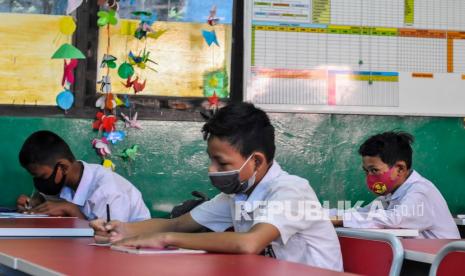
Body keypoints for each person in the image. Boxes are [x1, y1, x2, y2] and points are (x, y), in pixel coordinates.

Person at [91, 102, 342, 270]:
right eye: (211, 160)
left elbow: (249, 243)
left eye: (221, 163)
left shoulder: (290, 192)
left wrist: (165, 239)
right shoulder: (238, 195)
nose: (212, 170)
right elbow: (178, 223)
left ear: (256, 161)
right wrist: (124, 229)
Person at [332, 131, 460, 239]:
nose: (370, 177)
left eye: (374, 170)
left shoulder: (421, 192)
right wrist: (319, 214)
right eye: (366, 171)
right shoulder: (389, 196)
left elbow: (394, 220)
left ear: (400, 169)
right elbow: (360, 213)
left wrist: (340, 220)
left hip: (440, 265)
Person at [16, 130, 150, 222]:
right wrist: (33, 204)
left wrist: (71, 210)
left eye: (41, 176)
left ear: (62, 167)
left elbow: (108, 238)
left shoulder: (107, 191)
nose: (39, 182)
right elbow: (49, 202)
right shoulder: (65, 181)